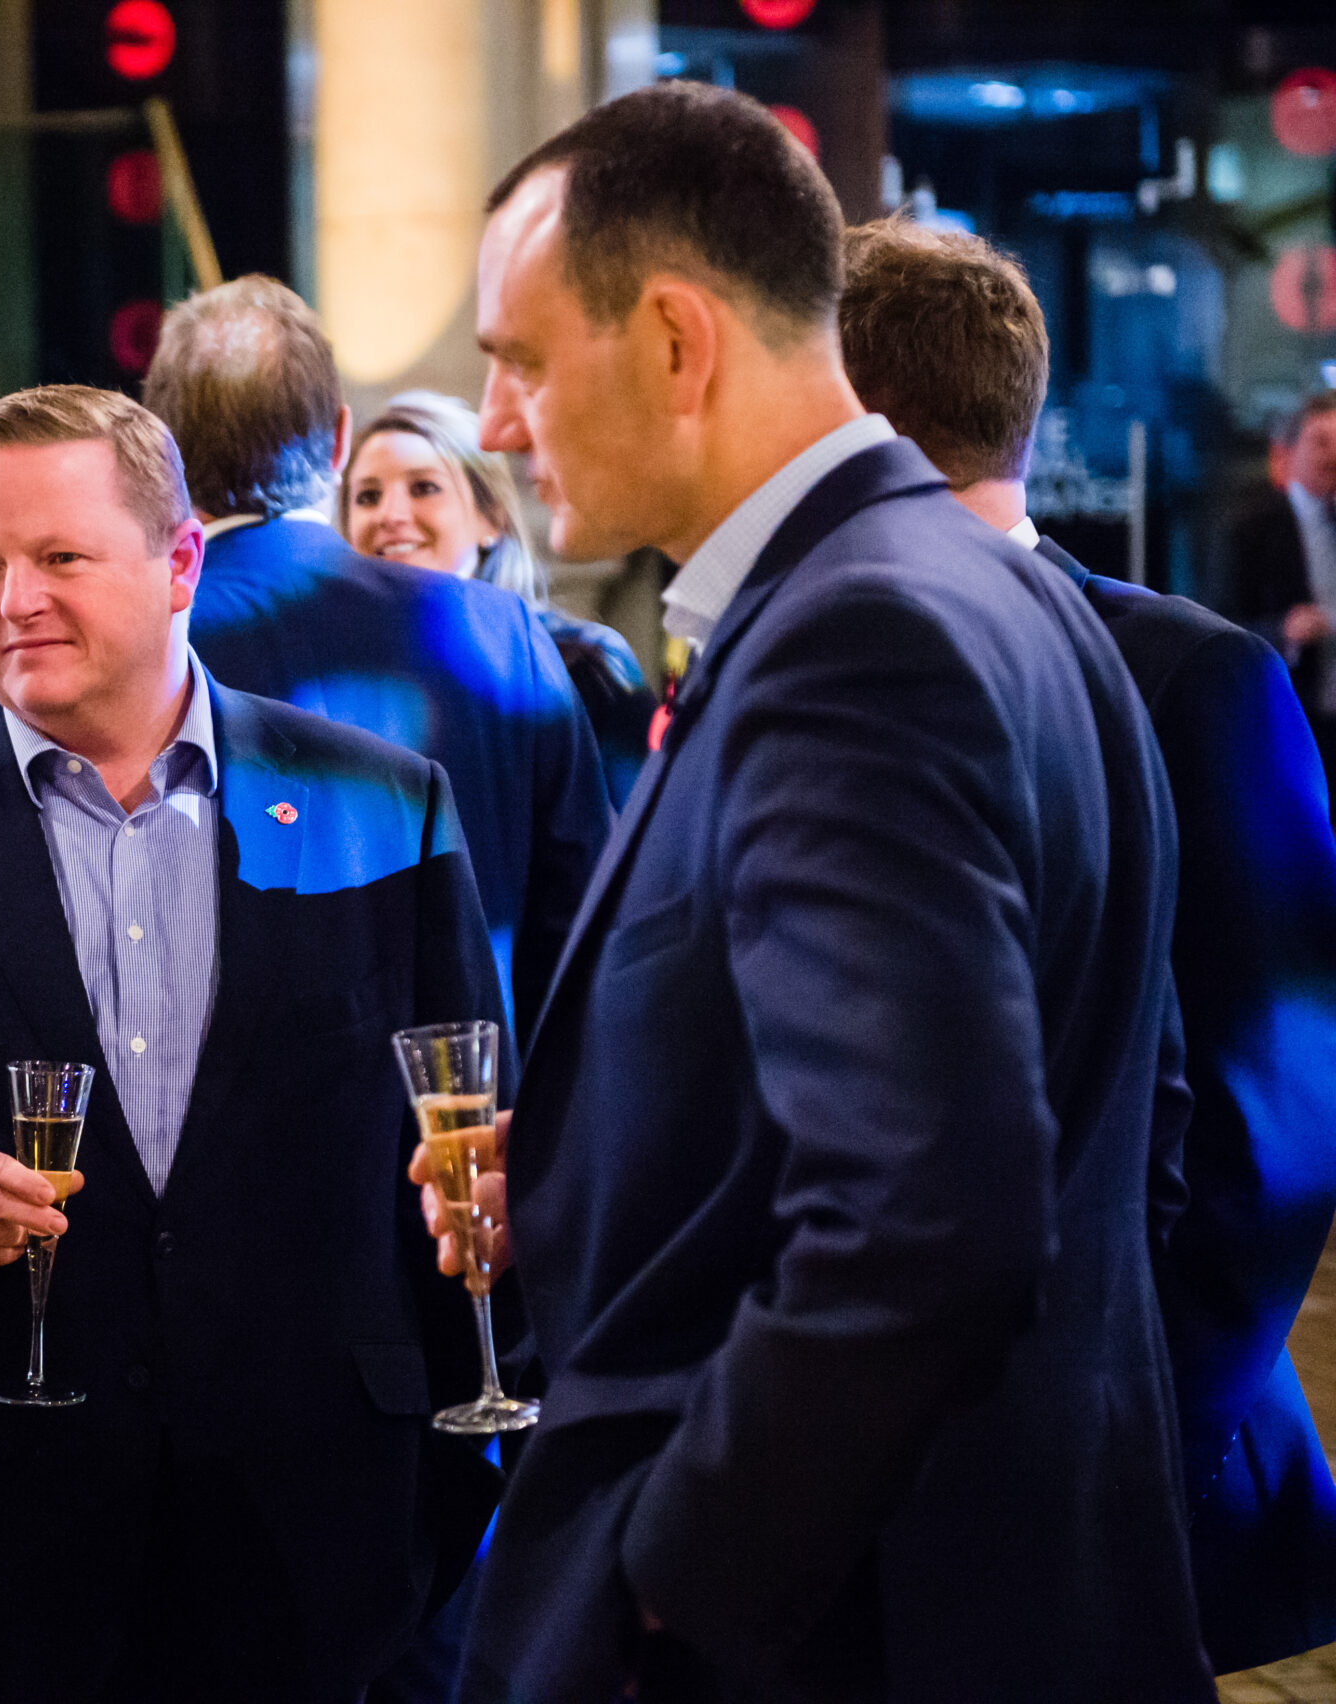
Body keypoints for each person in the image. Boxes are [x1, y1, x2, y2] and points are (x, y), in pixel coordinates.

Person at [441, 83, 1205, 1702]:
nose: (495, 421)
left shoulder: (861, 639)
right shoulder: (989, 590)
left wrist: (670, 1580)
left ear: (672, 339)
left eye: (516, 358)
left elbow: (925, 1216)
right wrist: (595, 1164)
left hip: (848, 1630)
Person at [0, 385, 504, 1703]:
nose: (13, 602)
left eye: (59, 557)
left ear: (180, 561)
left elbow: (467, 1170)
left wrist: (453, 1501)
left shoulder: (380, 802)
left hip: (327, 1555)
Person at [839, 214, 1336, 1673]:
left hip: (1156, 1491)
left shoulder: (1190, 675)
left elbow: (1278, 1140)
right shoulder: (819, 658)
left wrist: (1112, 1453)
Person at [143, 277, 610, 1037]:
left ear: (164, 452)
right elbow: (586, 922)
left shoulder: (146, 644)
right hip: (471, 1130)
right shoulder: (503, 632)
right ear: (337, 440)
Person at [343, 390, 655, 806]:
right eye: (367, 496)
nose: (390, 514)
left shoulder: (585, 666)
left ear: (491, 519)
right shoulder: (333, 681)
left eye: (423, 487)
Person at [1216, 389, 1336, 797]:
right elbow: (1217, 624)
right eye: (1321, 442)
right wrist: (1283, 629)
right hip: (1288, 720)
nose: (1331, 456)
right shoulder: (1250, 529)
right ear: (1289, 451)